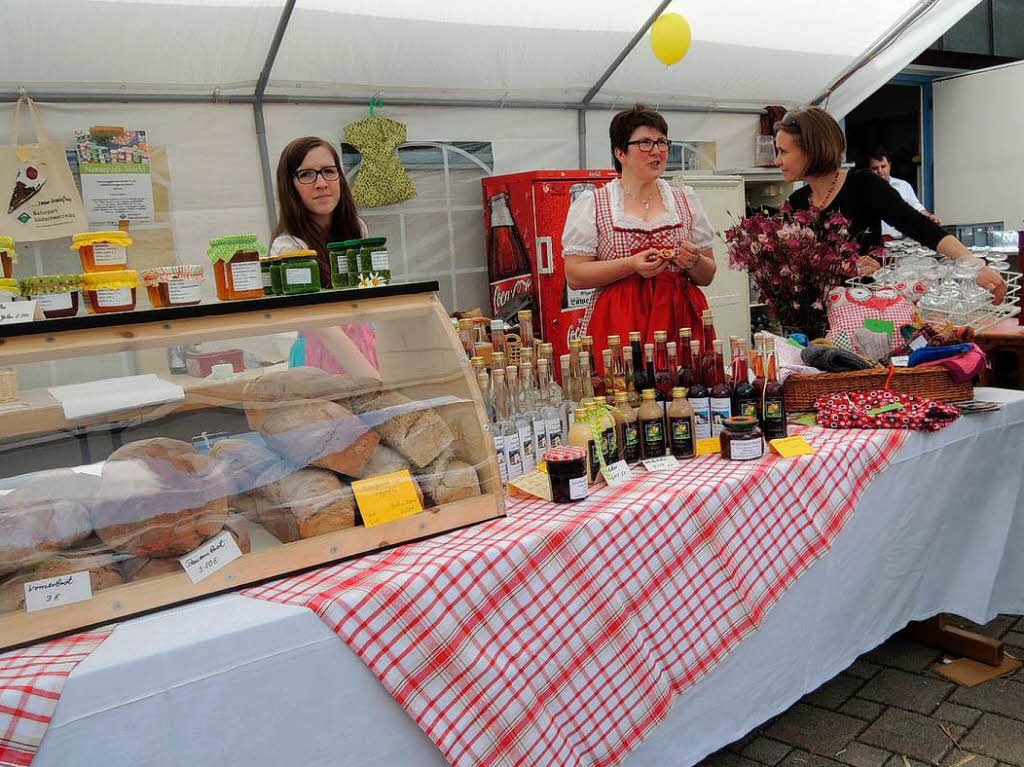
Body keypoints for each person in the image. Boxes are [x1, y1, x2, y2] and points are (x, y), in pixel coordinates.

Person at [774, 108, 1005, 303]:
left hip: (867, 314)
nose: (777, 161)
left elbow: (920, 227)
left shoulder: (864, 185)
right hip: (813, 318)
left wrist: (972, 263)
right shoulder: (795, 203)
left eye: (783, 151)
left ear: (812, 150)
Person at [562, 105, 717, 373]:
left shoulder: (685, 200)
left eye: (662, 142)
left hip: (679, 321)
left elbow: (707, 275)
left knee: (688, 395)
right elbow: (574, 276)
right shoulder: (595, 203)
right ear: (620, 152)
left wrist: (693, 262)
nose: (657, 151)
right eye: (645, 143)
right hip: (620, 323)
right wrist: (631, 265)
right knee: (624, 395)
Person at [271, 136, 379, 378]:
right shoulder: (288, 247)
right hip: (319, 363)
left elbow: (370, 297)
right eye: (306, 175)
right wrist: (373, 381)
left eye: (329, 171)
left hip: (366, 350)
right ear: (290, 185)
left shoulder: (357, 229)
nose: (321, 183)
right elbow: (322, 326)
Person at [868, 148, 942, 239]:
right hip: (875, 243)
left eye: (883, 166)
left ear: (889, 166)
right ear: (869, 170)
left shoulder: (903, 186)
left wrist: (930, 217)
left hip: (900, 242)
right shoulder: (864, 191)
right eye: (875, 168)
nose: (880, 171)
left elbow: (917, 208)